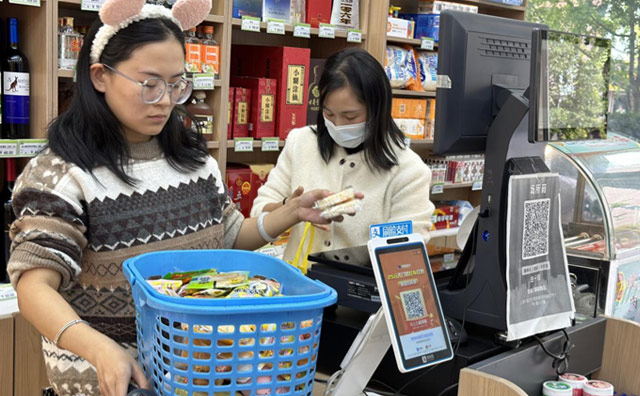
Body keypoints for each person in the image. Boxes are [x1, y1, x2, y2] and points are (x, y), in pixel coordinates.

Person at [6, 1, 353, 395]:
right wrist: (100, 349)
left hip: (203, 377)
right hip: (115, 382)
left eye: (176, 84)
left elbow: (227, 237)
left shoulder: (193, 159)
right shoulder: (62, 172)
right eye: (149, 83)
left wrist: (289, 214)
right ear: (100, 76)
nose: (165, 100)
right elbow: (34, 286)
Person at [251, 48, 435, 261]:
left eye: (350, 116)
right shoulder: (301, 142)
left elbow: (406, 255)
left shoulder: (409, 171)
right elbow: (259, 212)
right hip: (298, 285)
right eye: (329, 114)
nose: (337, 125)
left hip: (363, 289)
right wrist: (292, 209)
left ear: (378, 109)